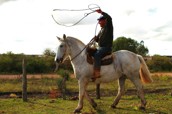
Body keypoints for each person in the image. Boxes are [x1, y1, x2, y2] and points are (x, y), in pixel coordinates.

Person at [92, 9, 113, 80]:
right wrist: (96, 39)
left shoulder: (108, 27)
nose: (99, 22)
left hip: (106, 47)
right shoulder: (101, 30)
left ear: (105, 21)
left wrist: (101, 12)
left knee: (97, 55)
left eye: (100, 21)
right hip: (101, 47)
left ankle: (97, 73)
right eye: (98, 21)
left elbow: (109, 18)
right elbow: (99, 41)